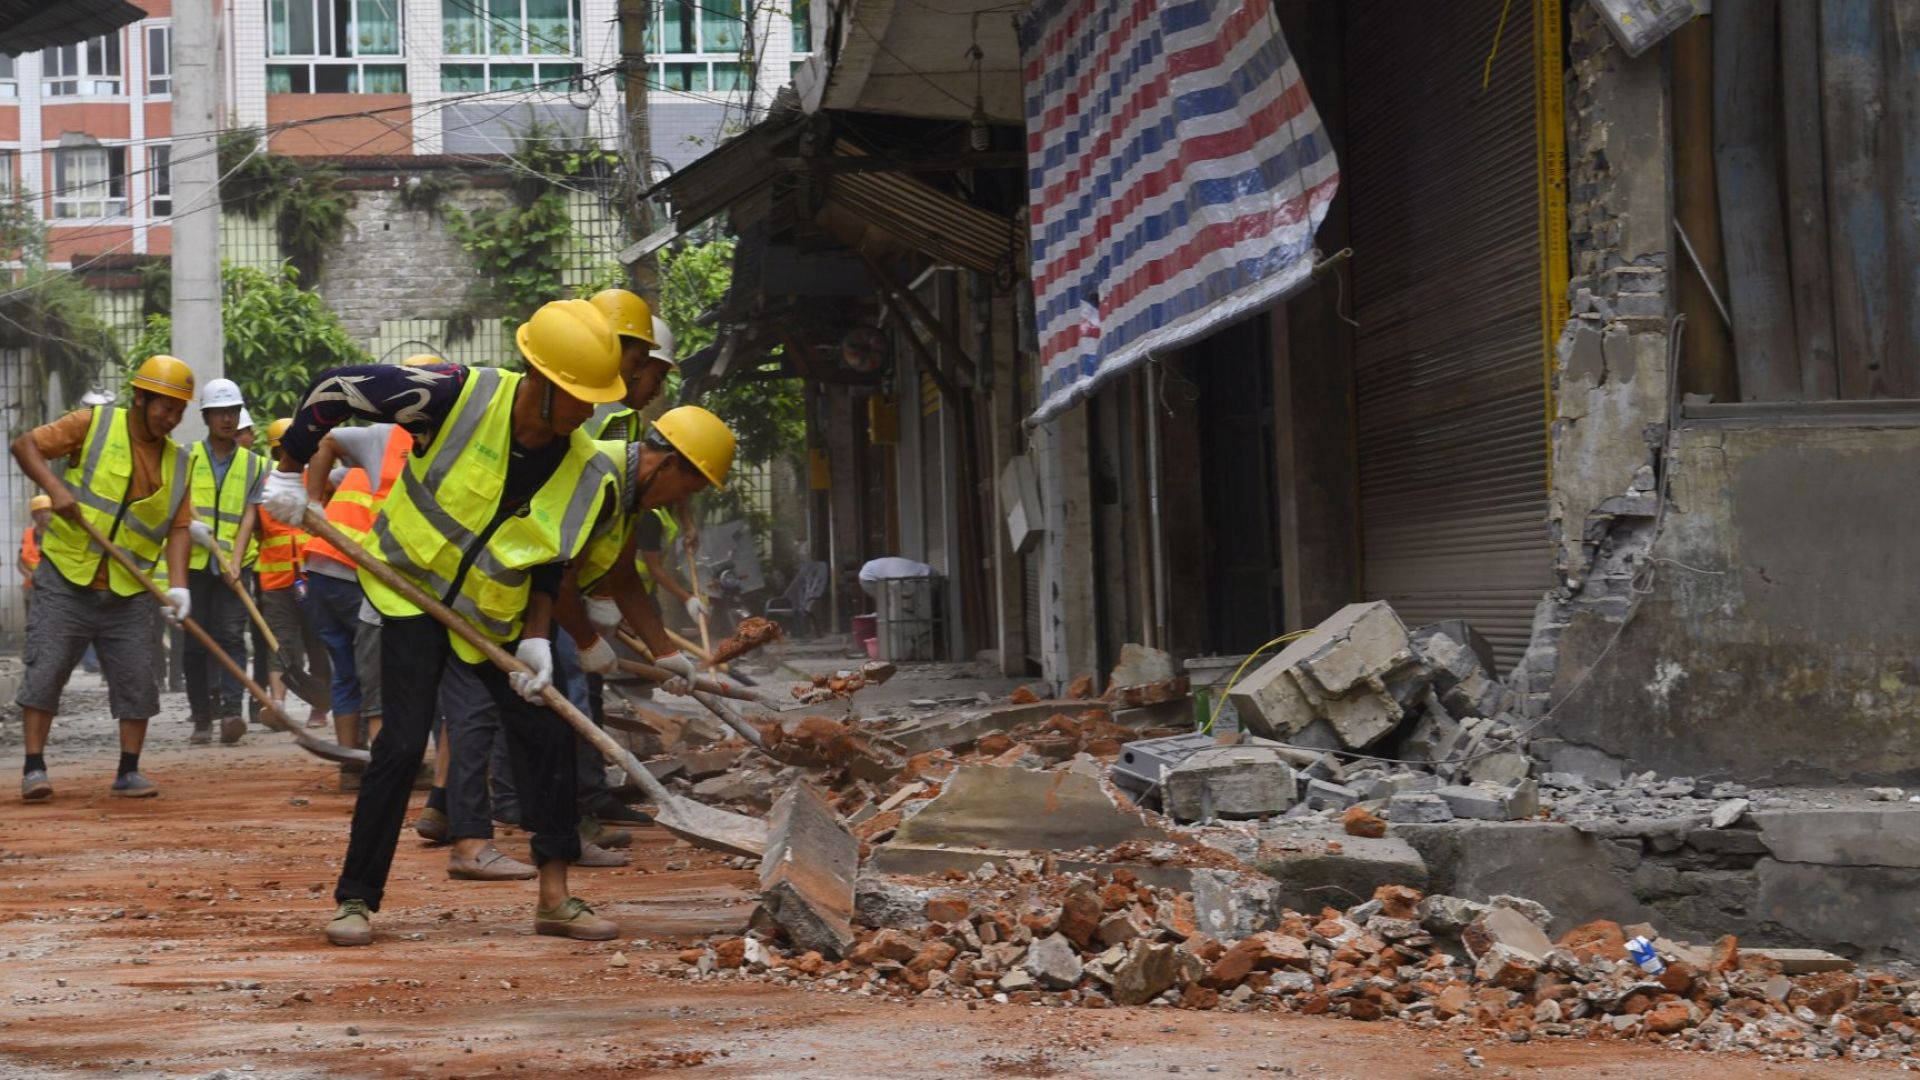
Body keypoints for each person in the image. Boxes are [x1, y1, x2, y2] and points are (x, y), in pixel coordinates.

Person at [263, 299, 631, 947]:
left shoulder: (584, 467)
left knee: (545, 740)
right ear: (539, 382)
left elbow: (552, 560)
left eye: (594, 400)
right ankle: (356, 900)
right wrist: (289, 468)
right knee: (402, 747)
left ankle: (555, 898)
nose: (588, 412)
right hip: (413, 600)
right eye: (577, 396)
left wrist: (540, 637)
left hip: (494, 619)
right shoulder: (455, 396)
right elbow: (334, 388)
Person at [9, 355, 197, 801]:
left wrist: (179, 585)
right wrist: (56, 490)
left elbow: (179, 528)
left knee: (137, 678)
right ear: (142, 398)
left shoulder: (179, 464)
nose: (170, 418)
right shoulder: (93, 424)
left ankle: (128, 771)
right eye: (164, 406)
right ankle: (34, 768)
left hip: (128, 589)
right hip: (67, 575)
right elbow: (24, 445)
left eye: (178, 410)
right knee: (48, 668)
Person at [183, 378, 266, 746]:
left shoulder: (254, 464)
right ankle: (202, 717)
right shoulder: (186, 457)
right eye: (219, 413)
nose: (227, 419)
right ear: (206, 416)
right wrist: (191, 524)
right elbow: (177, 501)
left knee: (232, 637)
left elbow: (250, 515)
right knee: (195, 642)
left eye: (232, 412)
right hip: (195, 564)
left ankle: (232, 713)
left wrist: (235, 560)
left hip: (234, 566)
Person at [243, 419, 330, 729]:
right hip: (275, 581)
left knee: (316, 642)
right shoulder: (265, 487)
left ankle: (319, 706)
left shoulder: (316, 481)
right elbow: (252, 525)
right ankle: (277, 705)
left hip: (311, 577)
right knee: (279, 642)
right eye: (281, 449)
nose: (287, 455)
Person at [18, 494, 50, 617]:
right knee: (32, 623)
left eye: (47, 511)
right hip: (32, 587)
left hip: (54, 588)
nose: (43, 515)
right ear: (34, 516)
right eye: (39, 512)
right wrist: (30, 576)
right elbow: (20, 561)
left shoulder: (59, 535)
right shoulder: (28, 534)